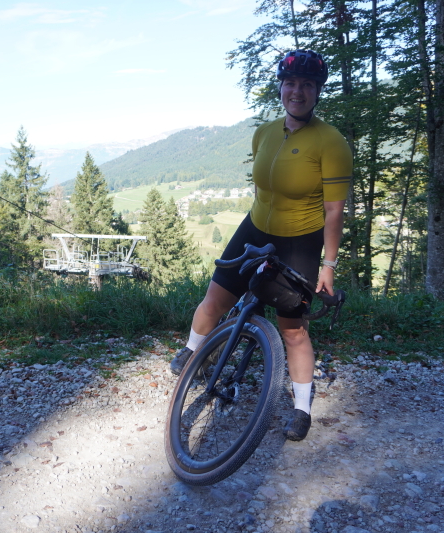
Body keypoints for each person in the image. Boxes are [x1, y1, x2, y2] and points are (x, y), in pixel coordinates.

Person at [170, 49, 352, 441]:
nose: (297, 92)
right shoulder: (264, 132)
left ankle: (301, 408)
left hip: (300, 241)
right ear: (281, 88)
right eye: (290, 83)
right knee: (214, 300)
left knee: (294, 331)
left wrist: (328, 265)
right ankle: (191, 351)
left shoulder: (331, 142)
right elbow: (264, 185)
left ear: (318, 91)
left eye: (306, 85)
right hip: (255, 228)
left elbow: (334, 212)